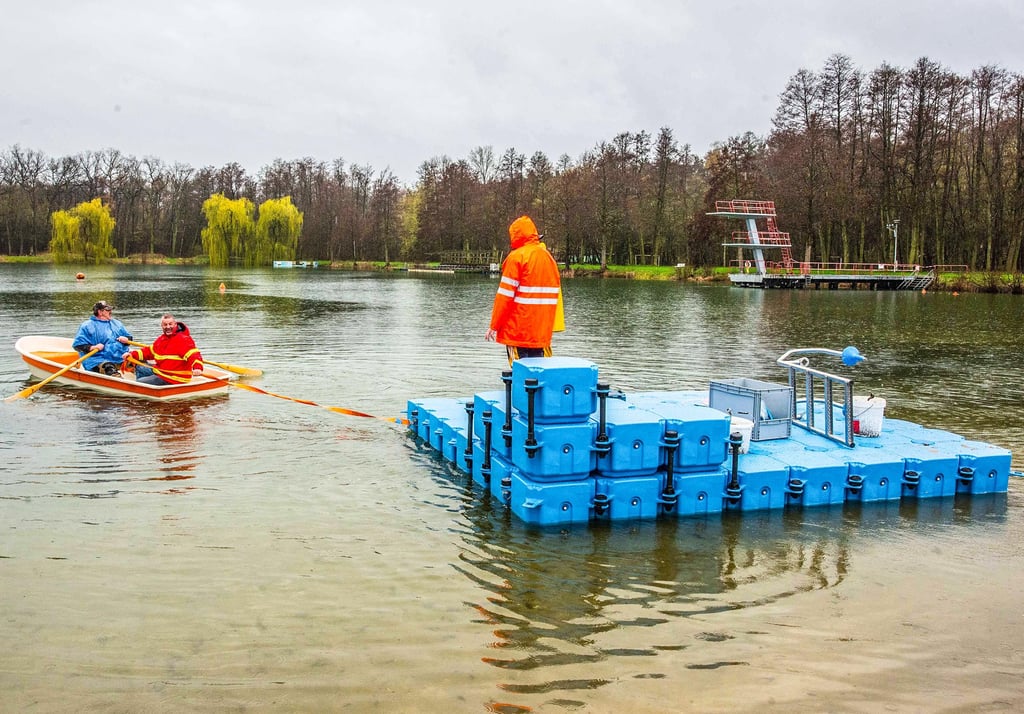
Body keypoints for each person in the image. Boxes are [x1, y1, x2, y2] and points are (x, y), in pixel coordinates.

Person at [486, 215, 563, 364]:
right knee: (538, 374)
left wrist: (494, 326)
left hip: (518, 330)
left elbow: (504, 297)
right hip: (541, 331)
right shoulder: (549, 259)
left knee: (520, 372)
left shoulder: (516, 258)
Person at [124, 313, 205, 385]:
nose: (168, 327)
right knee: (140, 368)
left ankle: (143, 390)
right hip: (161, 372)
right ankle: (146, 388)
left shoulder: (183, 339)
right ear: (161, 326)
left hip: (173, 378)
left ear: (175, 324)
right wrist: (131, 355)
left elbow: (194, 355)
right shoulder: (162, 339)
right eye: (165, 325)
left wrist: (197, 368)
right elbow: (149, 352)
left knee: (139, 383)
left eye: (170, 324)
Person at [72, 300, 132, 376]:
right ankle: (115, 378)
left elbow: (129, 338)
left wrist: (126, 340)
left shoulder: (117, 323)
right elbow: (77, 346)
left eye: (111, 309)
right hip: (97, 360)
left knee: (138, 362)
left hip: (120, 357)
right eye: (108, 310)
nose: (111, 311)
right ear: (100, 312)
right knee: (108, 367)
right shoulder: (87, 326)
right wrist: (93, 347)